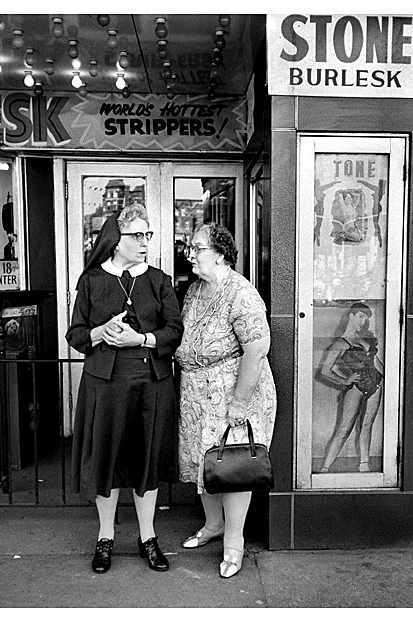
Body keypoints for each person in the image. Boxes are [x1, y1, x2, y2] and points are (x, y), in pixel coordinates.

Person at [65, 204, 183, 575]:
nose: (145, 242)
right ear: (116, 241)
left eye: (148, 234)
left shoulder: (159, 280)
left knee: (145, 459)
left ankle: (147, 537)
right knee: (107, 459)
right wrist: (101, 332)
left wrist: (141, 338)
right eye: (137, 236)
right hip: (105, 385)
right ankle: (105, 538)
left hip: (151, 383)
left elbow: (174, 330)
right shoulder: (92, 281)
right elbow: (76, 335)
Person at [175, 223, 277, 579]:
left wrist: (239, 402)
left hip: (233, 394)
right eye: (190, 246)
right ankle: (213, 524)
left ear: (220, 254)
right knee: (204, 464)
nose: (190, 253)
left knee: (233, 468)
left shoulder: (241, 293)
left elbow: (257, 347)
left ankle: (234, 543)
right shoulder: (195, 290)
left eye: (197, 247)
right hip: (197, 395)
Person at [318, 302, 384, 473]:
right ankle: (325, 467)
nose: (363, 322)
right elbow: (325, 371)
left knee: (367, 426)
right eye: (360, 317)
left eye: (366, 318)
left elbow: (377, 364)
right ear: (351, 316)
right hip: (355, 388)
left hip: (376, 386)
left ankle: (364, 464)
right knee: (344, 429)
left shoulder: (365, 339)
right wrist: (345, 381)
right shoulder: (340, 344)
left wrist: (384, 377)